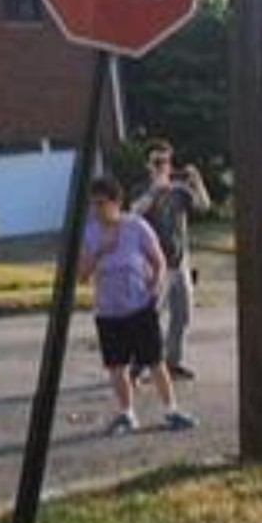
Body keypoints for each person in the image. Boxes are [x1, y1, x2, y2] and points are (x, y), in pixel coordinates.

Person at [81, 177, 198, 436]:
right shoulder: (91, 232)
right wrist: (99, 251)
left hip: (140, 307)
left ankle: (171, 410)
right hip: (109, 311)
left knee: (155, 361)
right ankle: (127, 414)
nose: (96, 210)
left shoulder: (136, 226)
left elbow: (158, 260)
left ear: (116, 203)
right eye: (93, 205)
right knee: (117, 366)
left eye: (101, 204)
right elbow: (82, 275)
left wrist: (155, 287)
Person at [131, 139, 211, 381]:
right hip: (154, 266)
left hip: (180, 262)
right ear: (148, 165)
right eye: (157, 162)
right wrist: (154, 191)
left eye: (166, 161)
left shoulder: (178, 191)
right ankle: (139, 365)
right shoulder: (141, 189)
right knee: (150, 317)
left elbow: (204, 206)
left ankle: (172, 362)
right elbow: (133, 213)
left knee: (182, 316)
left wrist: (197, 183)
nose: (163, 167)